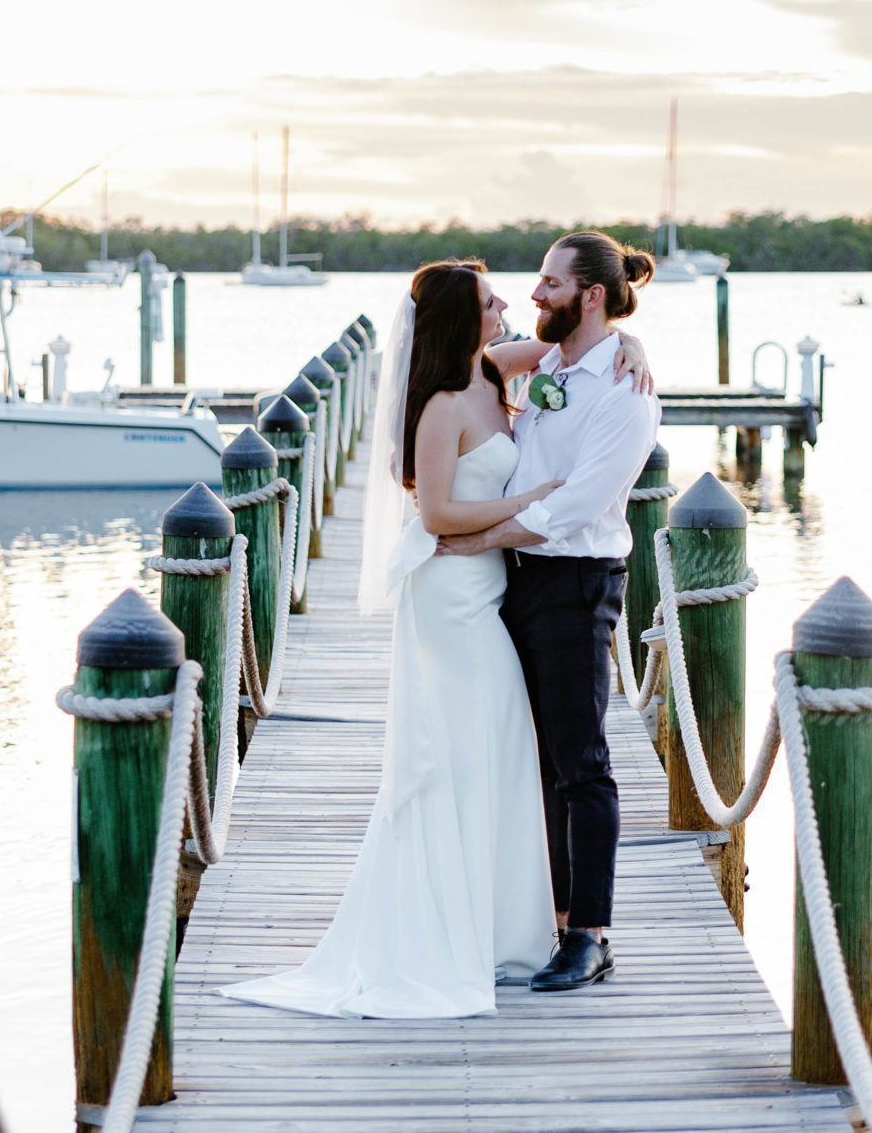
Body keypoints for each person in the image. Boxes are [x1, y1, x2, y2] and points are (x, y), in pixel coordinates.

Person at [220, 257, 652, 1019]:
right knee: (463, 750)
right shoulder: (444, 405)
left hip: (504, 579)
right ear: (464, 316)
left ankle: (553, 925)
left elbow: (572, 357)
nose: (513, 304)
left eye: (530, 289)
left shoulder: (497, 369)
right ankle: (475, 920)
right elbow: (435, 515)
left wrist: (631, 343)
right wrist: (521, 502)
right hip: (458, 589)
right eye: (493, 300)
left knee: (515, 748)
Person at [433, 231, 663, 993]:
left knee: (581, 763)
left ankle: (591, 934)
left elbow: (579, 504)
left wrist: (481, 537)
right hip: (517, 581)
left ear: (589, 294)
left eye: (550, 283)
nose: (534, 295)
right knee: (532, 760)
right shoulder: (553, 363)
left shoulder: (626, 393)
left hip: (575, 584)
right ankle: (552, 919)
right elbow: (464, 369)